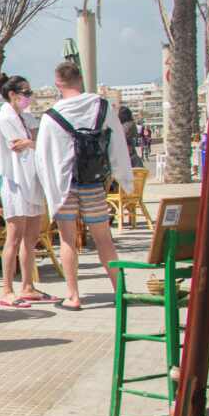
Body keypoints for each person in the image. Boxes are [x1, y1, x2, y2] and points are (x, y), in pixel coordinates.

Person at [34, 61, 133, 310]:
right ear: (80, 79)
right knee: (104, 239)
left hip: (65, 186)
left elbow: (44, 158)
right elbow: (117, 143)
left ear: (58, 84)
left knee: (68, 240)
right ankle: (120, 291)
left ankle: (73, 296)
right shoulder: (101, 105)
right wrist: (122, 177)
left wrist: (50, 191)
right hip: (93, 181)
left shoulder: (51, 116)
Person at [0, 74, 53, 309]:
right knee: (14, 237)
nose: (29, 97)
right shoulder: (4, 118)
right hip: (15, 182)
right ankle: (7, 288)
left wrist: (30, 142)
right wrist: (31, 142)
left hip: (33, 180)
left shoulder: (27, 117)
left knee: (32, 236)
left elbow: (38, 140)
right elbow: (18, 144)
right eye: (25, 93)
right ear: (13, 95)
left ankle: (28, 285)